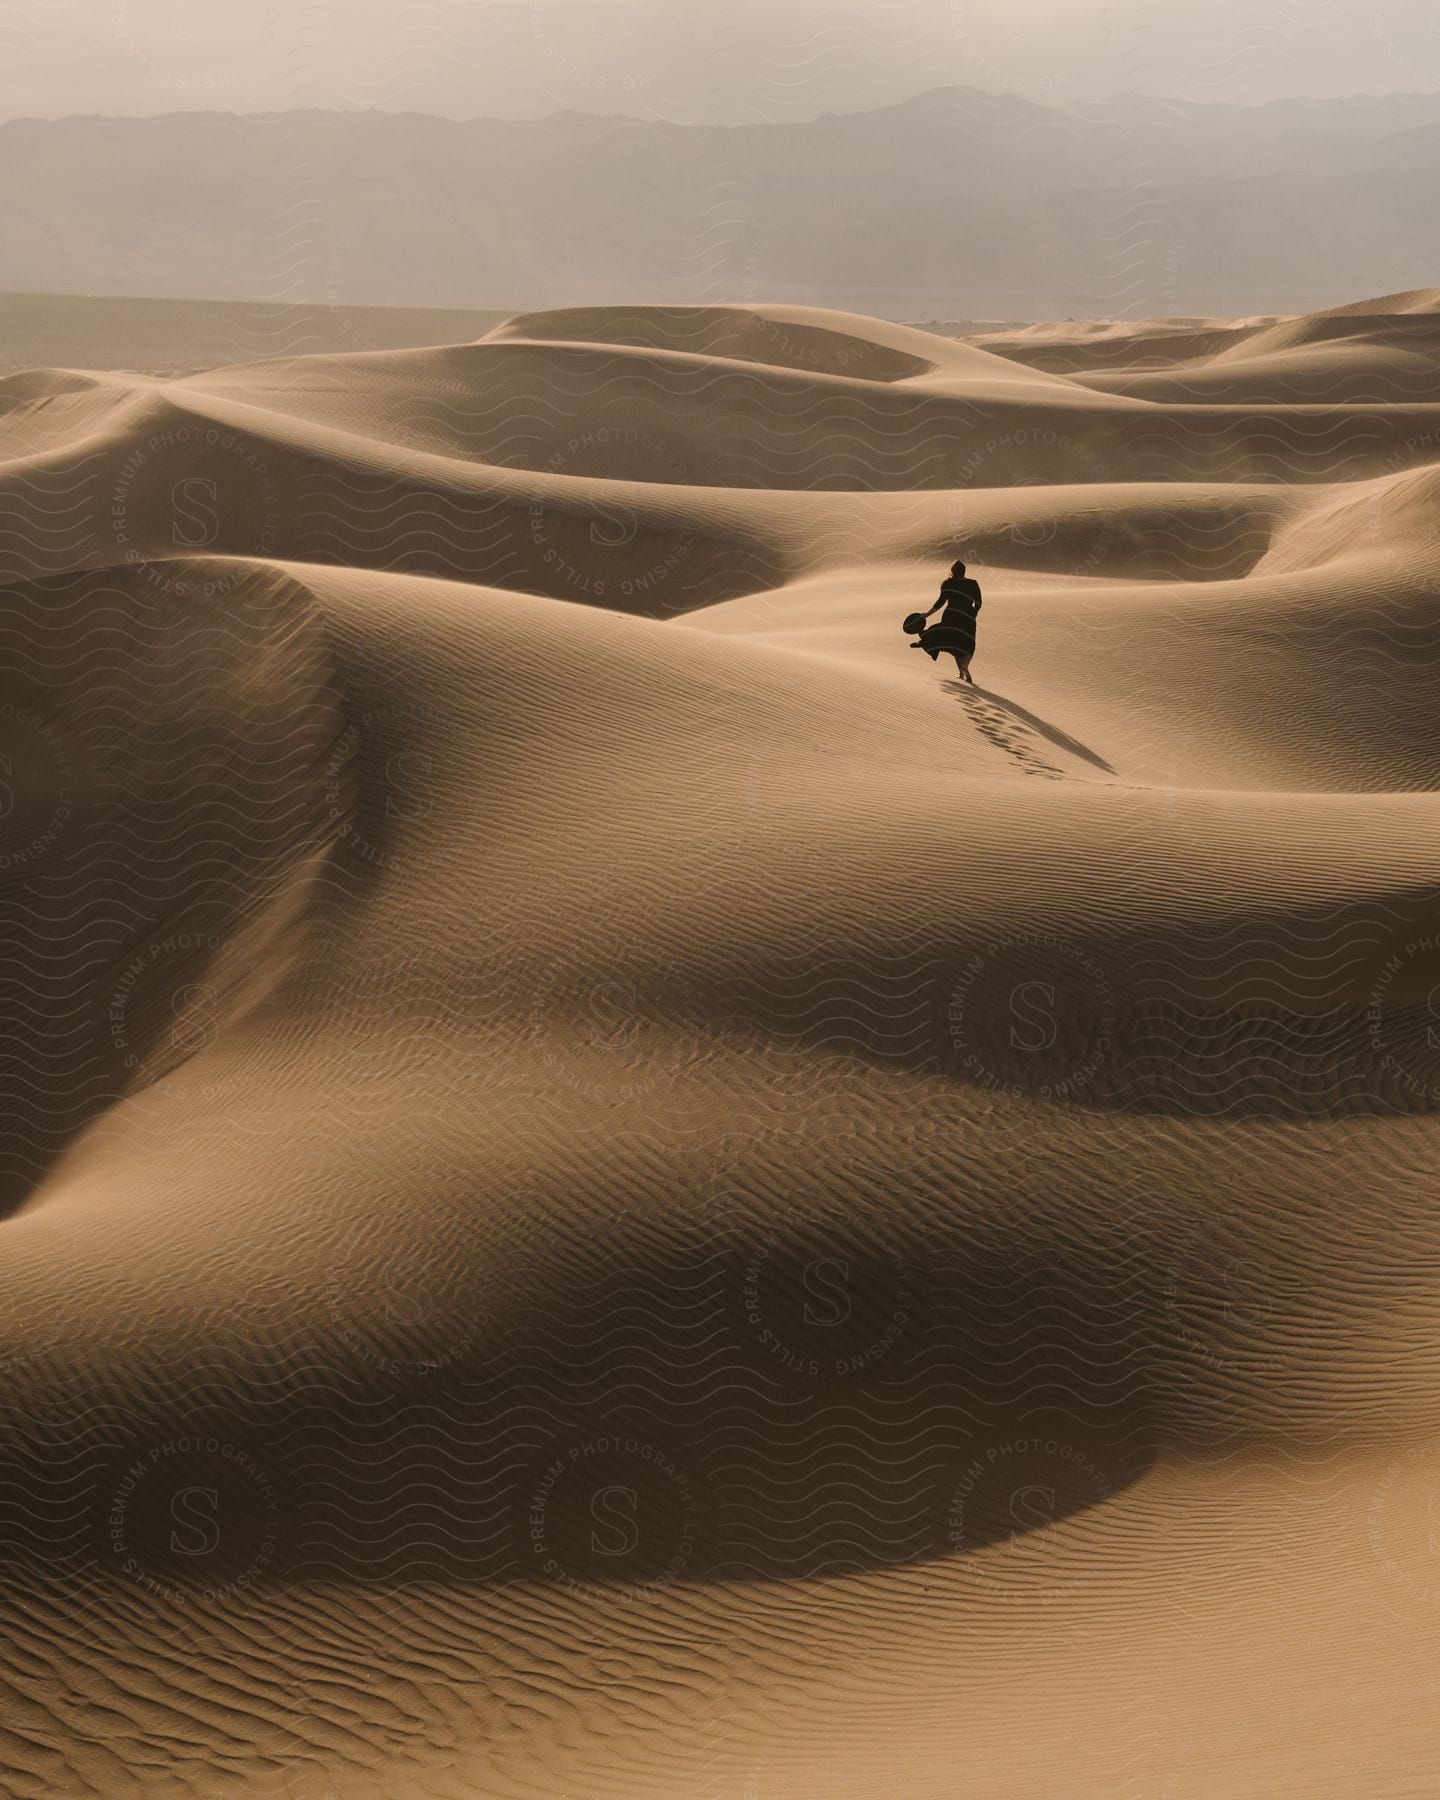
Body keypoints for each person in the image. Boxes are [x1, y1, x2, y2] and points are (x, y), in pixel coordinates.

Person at [909, 560, 982, 682]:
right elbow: (978, 602)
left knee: (953, 642)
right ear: (964, 571)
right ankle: (964, 667)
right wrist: (974, 613)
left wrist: (926, 615)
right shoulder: (973, 583)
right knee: (968, 643)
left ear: (952, 571)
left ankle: (960, 672)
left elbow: (940, 603)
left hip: (951, 615)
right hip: (967, 616)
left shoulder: (948, 584)